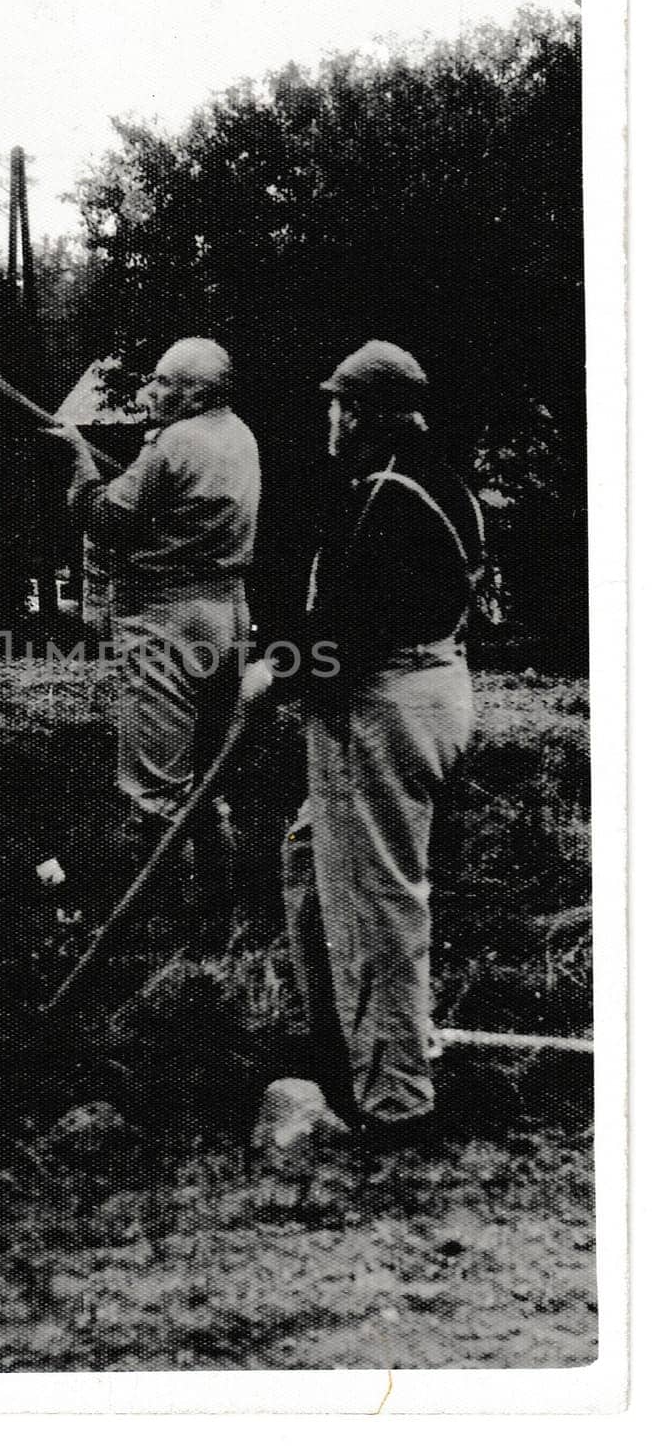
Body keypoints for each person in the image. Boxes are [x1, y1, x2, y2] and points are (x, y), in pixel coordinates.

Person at [292, 339, 484, 1151]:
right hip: (437, 687)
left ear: (362, 415)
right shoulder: (443, 485)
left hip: (380, 703)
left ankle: (394, 1102)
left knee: (372, 904)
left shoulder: (385, 498)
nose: (329, 418)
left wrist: (278, 666)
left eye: (338, 405)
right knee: (308, 862)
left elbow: (350, 629)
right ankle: (339, 1047)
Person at [46, 337, 261, 938]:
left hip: (166, 618)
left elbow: (101, 515)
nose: (152, 392)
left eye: (165, 384)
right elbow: (160, 499)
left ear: (196, 393)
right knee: (208, 778)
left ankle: (157, 932)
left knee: (155, 788)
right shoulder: (239, 437)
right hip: (227, 616)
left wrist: (79, 462)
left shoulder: (174, 443)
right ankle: (222, 917)